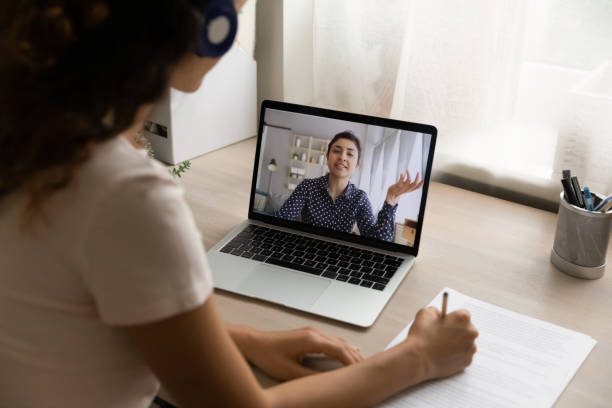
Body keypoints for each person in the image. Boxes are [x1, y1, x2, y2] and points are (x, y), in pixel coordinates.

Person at [0, 1, 478, 407]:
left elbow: (101, 311)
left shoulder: (32, 136)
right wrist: (419, 356)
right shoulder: (126, 196)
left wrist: (244, 339)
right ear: (210, 26)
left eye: (349, 153)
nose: (341, 157)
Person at [277, 131, 424, 242]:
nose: (342, 157)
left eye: (350, 154)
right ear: (327, 157)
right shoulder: (307, 187)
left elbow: (379, 241)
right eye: (336, 151)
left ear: (357, 164)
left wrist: (391, 198)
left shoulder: (359, 198)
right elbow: (280, 222)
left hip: (340, 260)